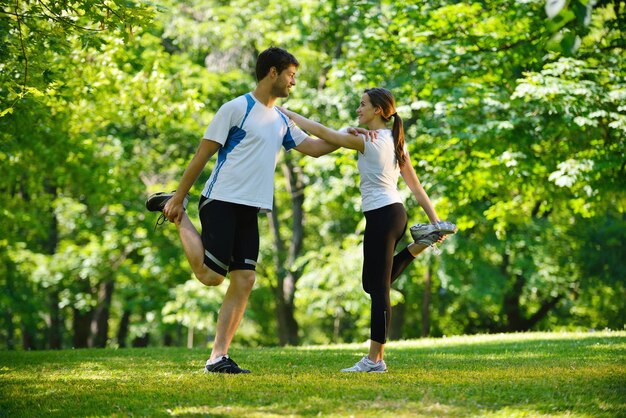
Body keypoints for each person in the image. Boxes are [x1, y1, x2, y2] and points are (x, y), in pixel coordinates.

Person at [146, 47, 340, 374]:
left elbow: (317, 148)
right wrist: (180, 197)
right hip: (221, 199)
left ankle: (217, 357)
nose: (294, 82)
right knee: (210, 276)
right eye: (290, 75)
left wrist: (350, 135)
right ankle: (175, 212)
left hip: (251, 208)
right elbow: (202, 155)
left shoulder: (281, 119)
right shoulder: (236, 108)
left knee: (246, 279)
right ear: (273, 73)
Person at [278, 88, 457, 372]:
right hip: (394, 214)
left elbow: (324, 134)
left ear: (377, 110)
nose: (358, 109)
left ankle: (375, 359)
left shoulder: (370, 142)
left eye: (362, 105)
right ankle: (422, 241)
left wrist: (287, 114)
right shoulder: (392, 141)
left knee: (378, 290)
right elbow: (416, 186)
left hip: (383, 215)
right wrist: (434, 220)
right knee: (372, 283)